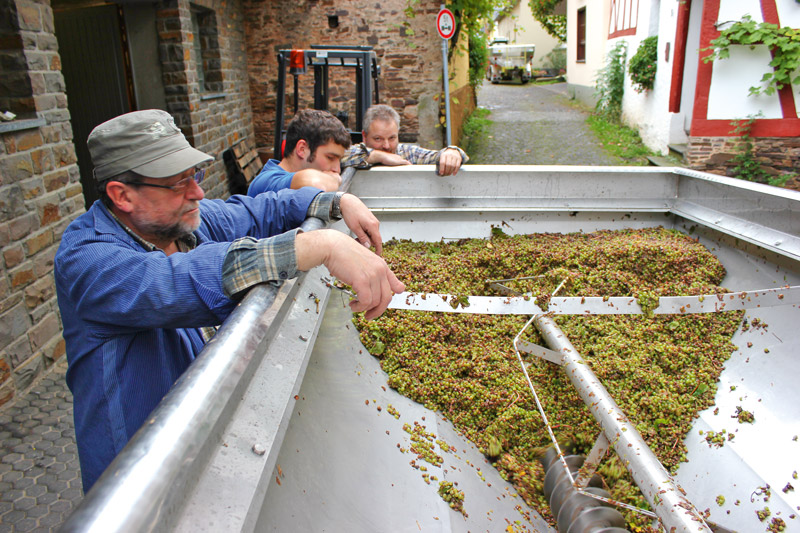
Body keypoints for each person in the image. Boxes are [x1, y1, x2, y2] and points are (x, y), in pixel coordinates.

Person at [54, 109, 404, 491]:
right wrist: (318, 244)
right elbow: (174, 281)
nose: (198, 193)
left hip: (196, 440)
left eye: (195, 176)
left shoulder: (183, 220)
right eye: (177, 184)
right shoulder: (86, 261)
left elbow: (256, 209)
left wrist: (334, 202)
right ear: (122, 195)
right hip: (138, 482)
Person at [341, 104, 469, 175]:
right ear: (364, 136)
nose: (386, 145)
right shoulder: (355, 153)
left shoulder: (408, 153)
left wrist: (452, 152)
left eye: (392, 138)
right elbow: (339, 156)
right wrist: (378, 156)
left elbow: (435, 157)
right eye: (378, 139)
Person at [248, 109, 349, 195]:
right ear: (302, 149)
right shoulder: (267, 183)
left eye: (339, 160)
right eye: (330, 157)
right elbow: (315, 182)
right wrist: (335, 180)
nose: (337, 169)